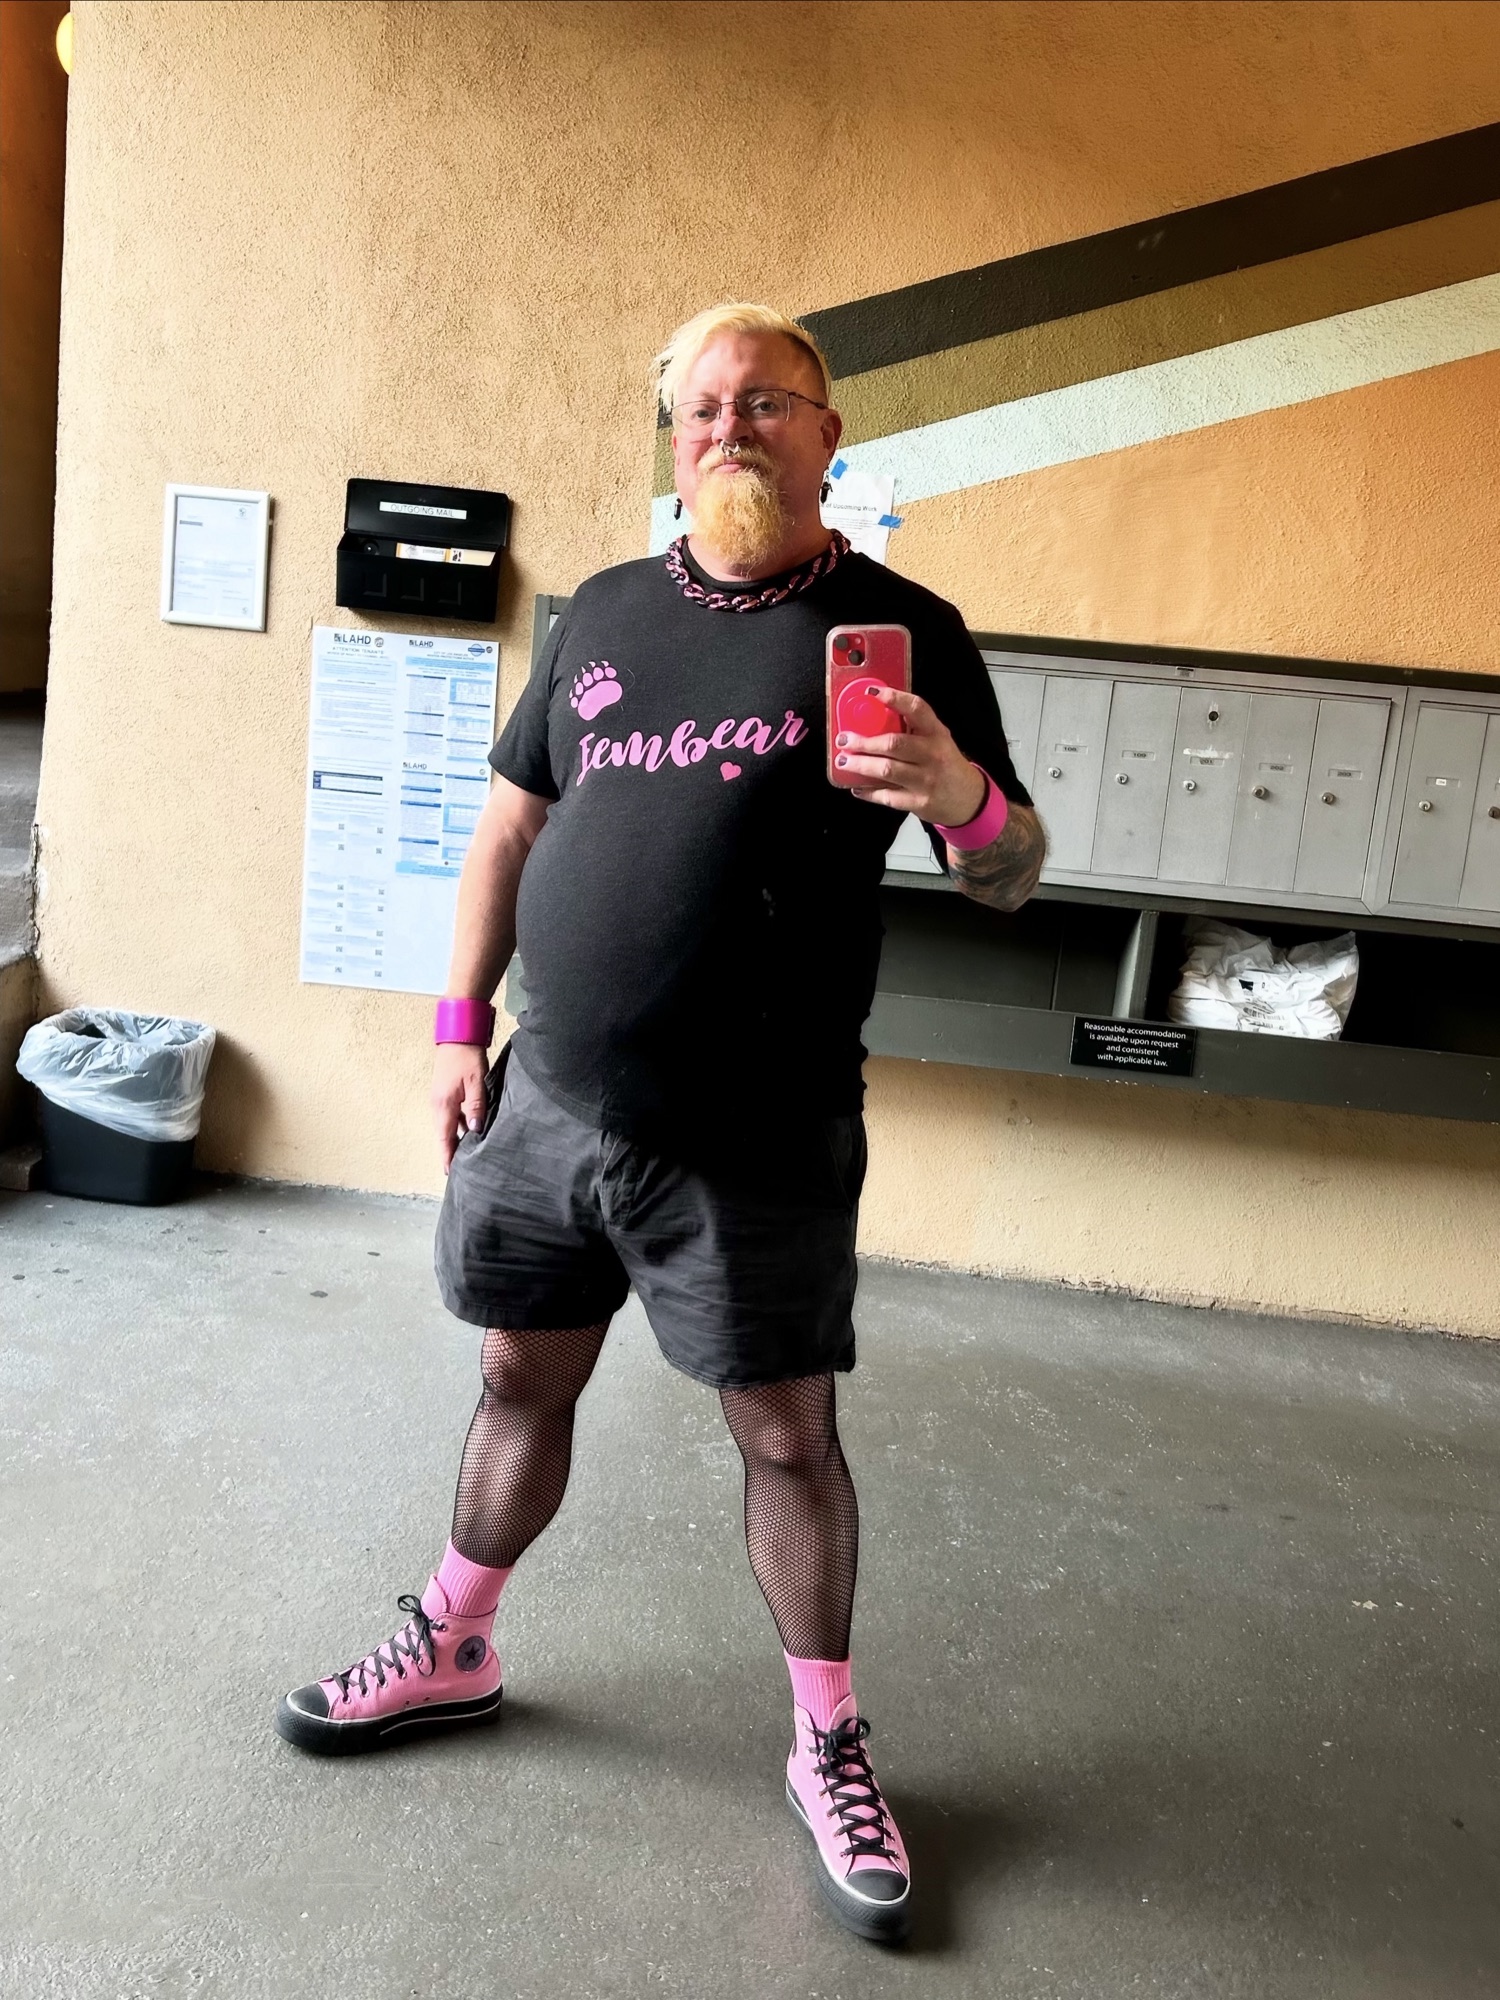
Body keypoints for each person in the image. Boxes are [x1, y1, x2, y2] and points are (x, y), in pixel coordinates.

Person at [275, 303, 1047, 1944]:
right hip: (553, 1100)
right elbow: (507, 833)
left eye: (765, 401)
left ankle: (827, 1740)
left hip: (760, 1133)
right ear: (674, 441)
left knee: (786, 1435)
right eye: (700, 407)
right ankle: (455, 1640)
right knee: (518, 1375)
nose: (729, 428)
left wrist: (961, 794)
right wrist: (456, 1028)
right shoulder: (606, 611)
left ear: (828, 432)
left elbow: (1013, 872)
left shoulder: (904, 631)